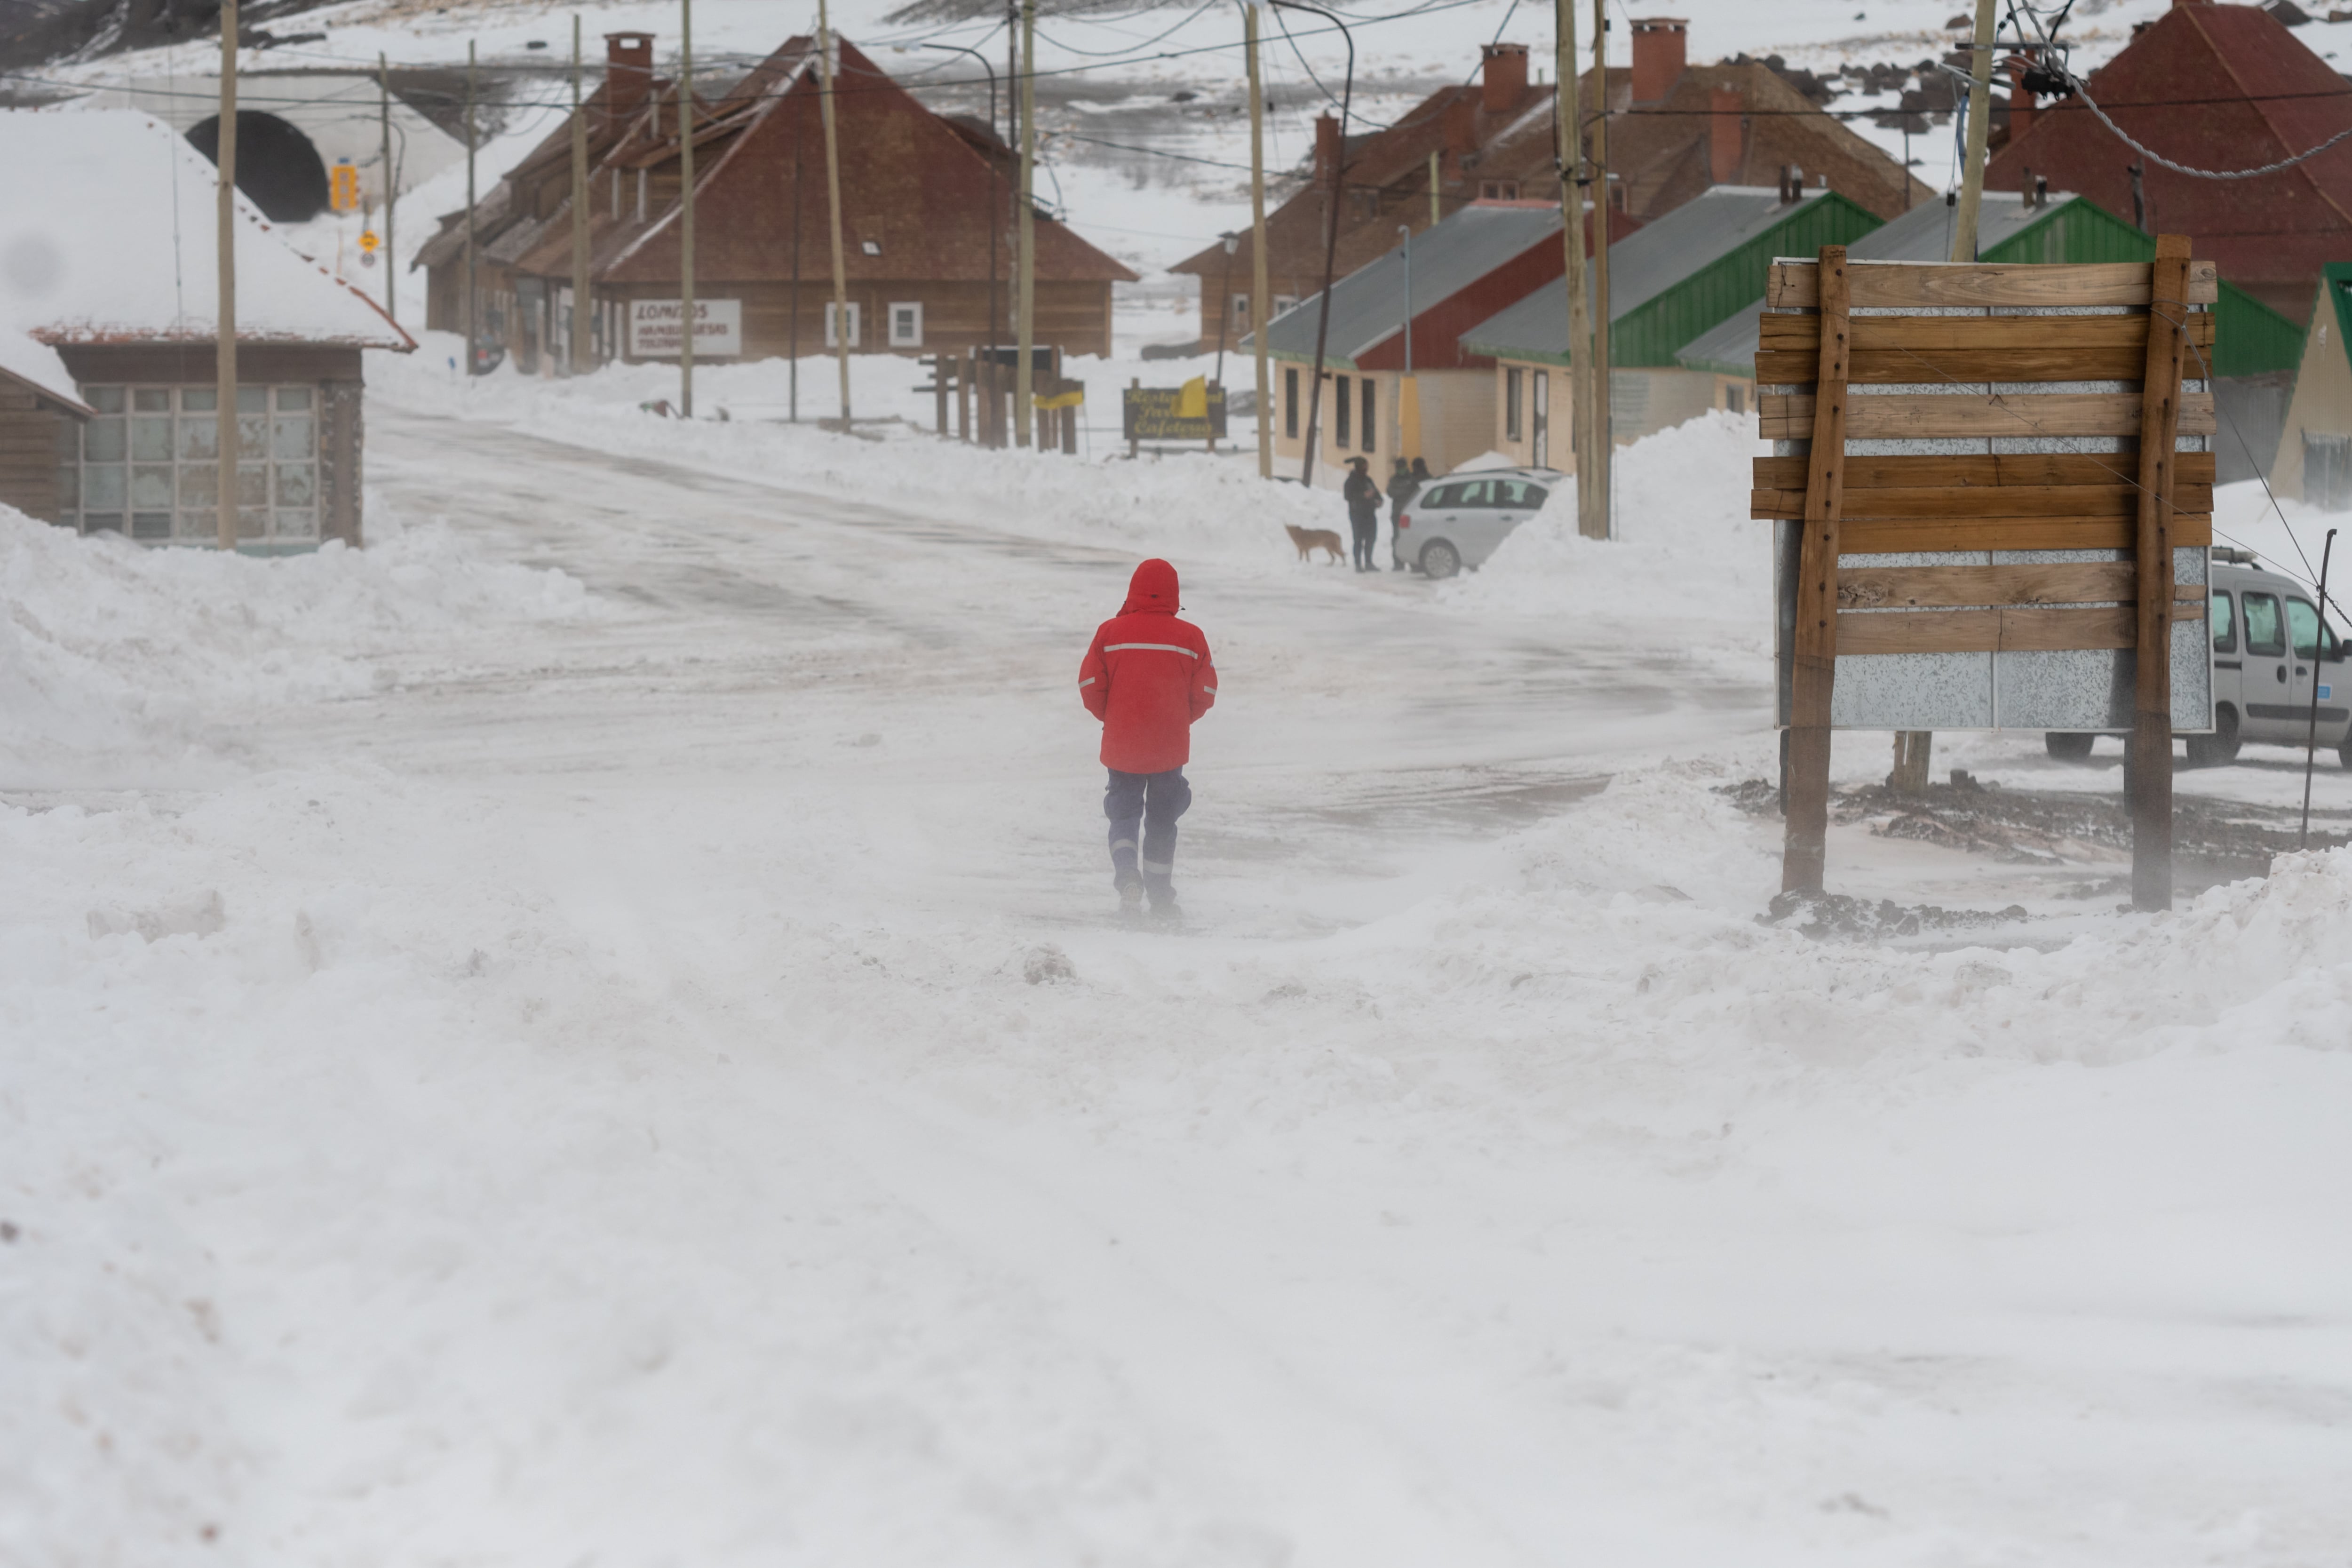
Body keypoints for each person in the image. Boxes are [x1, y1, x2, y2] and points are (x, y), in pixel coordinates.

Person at [1078, 558, 1218, 920]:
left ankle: (1127, 876)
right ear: (1174, 594)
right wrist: (1179, 720)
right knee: (1162, 819)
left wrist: (1112, 717)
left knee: (1123, 814)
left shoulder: (1110, 633)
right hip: (1169, 747)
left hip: (1122, 745)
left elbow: (1090, 685)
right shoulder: (1191, 638)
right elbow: (1205, 690)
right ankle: (1160, 897)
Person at [1343, 456, 1382, 572]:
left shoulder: (1368, 480)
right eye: (1364, 467)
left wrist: (1379, 501)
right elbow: (1347, 496)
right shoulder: (1351, 482)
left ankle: (1369, 562)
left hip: (1370, 514)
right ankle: (1358, 564)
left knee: (1371, 538)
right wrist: (1363, 496)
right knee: (1358, 539)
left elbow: (1376, 493)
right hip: (1357, 514)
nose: (1366, 469)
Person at [1385, 456, 1421, 572]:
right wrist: (1405, 491)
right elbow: (1390, 492)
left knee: (1412, 538)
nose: (1400, 469)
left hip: (1411, 514)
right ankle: (1398, 563)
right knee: (1397, 538)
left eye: (1402, 467)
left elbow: (1416, 493)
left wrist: (1401, 492)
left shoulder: (1412, 479)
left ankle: (1414, 563)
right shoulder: (1394, 479)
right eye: (1398, 467)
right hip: (1397, 514)